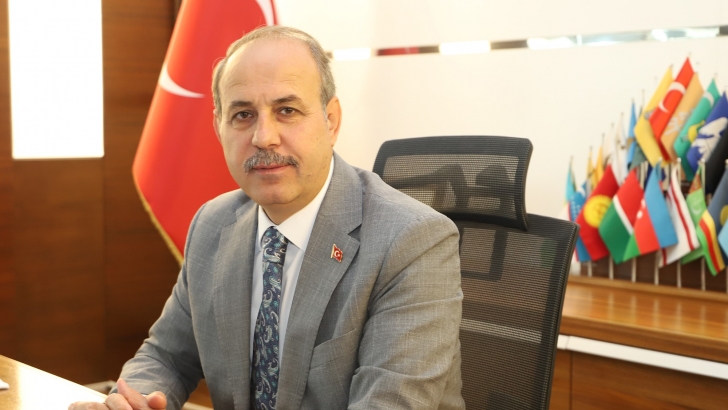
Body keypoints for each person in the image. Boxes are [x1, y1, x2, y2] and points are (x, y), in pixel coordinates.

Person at [71, 25, 464, 410]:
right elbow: (166, 356)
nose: (264, 137)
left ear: (330, 120)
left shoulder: (411, 240)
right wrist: (135, 400)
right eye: (243, 114)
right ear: (219, 127)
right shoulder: (213, 224)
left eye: (286, 110)